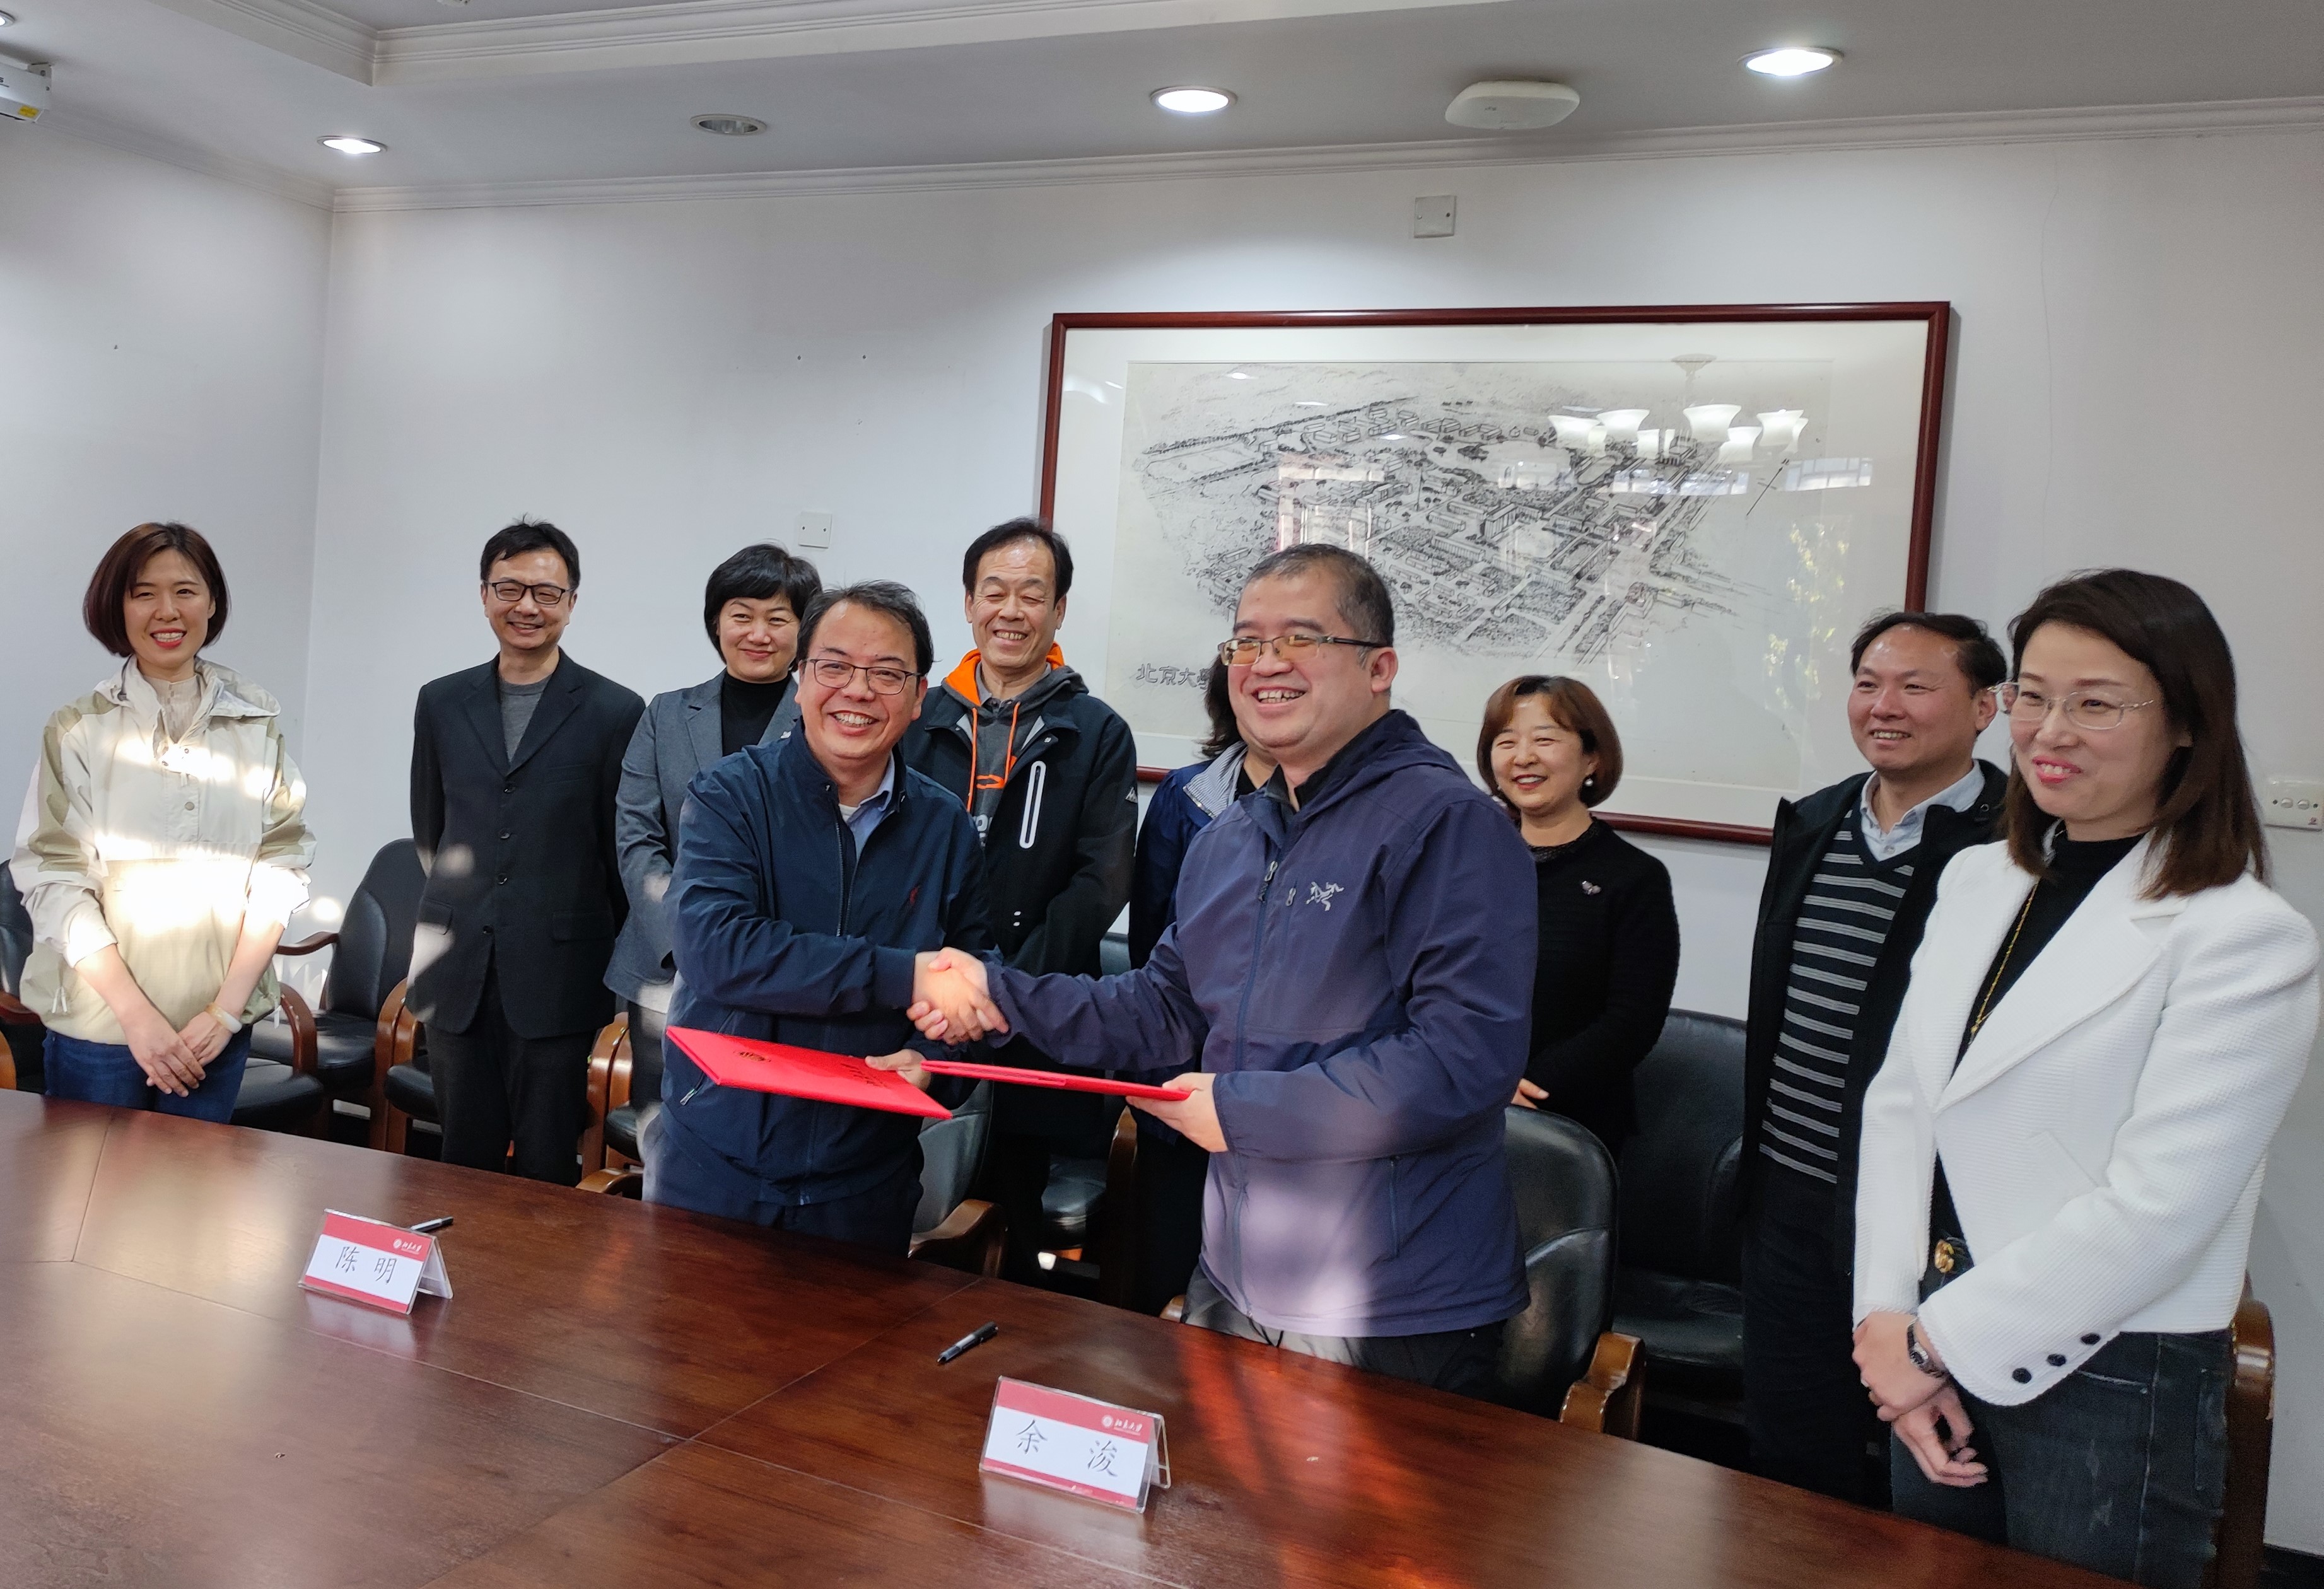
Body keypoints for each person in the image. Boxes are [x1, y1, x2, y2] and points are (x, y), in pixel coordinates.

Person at [911, 544, 1534, 1395]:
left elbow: (1463, 1060)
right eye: (1246, 642)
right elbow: (1162, 1009)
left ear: (1379, 668)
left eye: (1301, 639)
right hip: (1235, 1273)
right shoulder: (1233, 837)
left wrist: (1240, 1112)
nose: (1265, 663)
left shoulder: (1446, 824)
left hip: (1388, 1301)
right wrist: (995, 992)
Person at [1853, 571, 2318, 1588]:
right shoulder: (1980, 879)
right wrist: (1886, 1320)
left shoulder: (2245, 937)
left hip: (2110, 1368)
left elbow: (2161, 1208)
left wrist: (1934, 1344)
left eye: (2096, 704)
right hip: (1926, 1331)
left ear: (2187, 724)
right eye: (2032, 695)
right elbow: (1901, 1109)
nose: (2049, 731)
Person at [1741, 609, 2008, 1503]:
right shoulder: (1815, 821)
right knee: (1790, 1454)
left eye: (1915, 687)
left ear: (1984, 708)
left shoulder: (2016, 844)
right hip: (1790, 1195)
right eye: (1867, 684)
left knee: (1938, 1471)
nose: (1883, 706)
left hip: (1931, 1220)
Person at [647, 581, 1000, 1255]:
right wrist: (905, 975)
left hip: (863, 1180)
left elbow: (975, 981)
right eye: (834, 666)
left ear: (919, 697)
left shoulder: (944, 825)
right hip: (715, 1167)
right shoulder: (730, 795)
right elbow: (718, 951)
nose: (857, 691)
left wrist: (935, 1063)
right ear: (801, 679)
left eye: (887, 674)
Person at [10, 522, 312, 1122]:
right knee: (89, 1185)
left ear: (212, 602)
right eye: (143, 593)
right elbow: (53, 880)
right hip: (99, 1028)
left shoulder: (256, 723)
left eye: (186, 591)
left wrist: (224, 1013)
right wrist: (137, 1017)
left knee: (197, 1185)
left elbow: (280, 870)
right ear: (116, 606)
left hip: (214, 1032)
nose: (167, 611)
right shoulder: (78, 729)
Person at [901, 518, 1137, 1283]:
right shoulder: (918, 717)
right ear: (968, 603)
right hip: (916, 1005)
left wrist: (1002, 990)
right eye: (994, 591)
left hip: (1034, 1012)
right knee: (898, 1209)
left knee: (1013, 1222)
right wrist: (931, 985)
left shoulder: (1094, 732)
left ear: (1058, 610)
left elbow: (1102, 880)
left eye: (1031, 595)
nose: (1011, 610)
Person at [409, 521, 643, 1185]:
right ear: (484, 595)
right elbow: (431, 830)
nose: (527, 607)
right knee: (461, 1159)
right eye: (509, 589)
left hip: (561, 973)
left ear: (572, 602)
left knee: (546, 1163)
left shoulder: (615, 710)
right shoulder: (441, 701)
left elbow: (617, 850)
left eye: (546, 592)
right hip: (457, 968)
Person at [605, 542, 822, 1100]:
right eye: (742, 615)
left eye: (778, 619)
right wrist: (684, 939)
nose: (758, 634)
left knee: (757, 1125)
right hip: (666, 970)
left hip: (778, 973)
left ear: (805, 630)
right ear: (716, 623)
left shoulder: (824, 722)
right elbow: (637, 836)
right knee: (660, 1124)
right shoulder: (666, 714)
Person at [1123, 659, 1276, 1314]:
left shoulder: (1349, 808)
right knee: (1169, 1274)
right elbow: (1150, 932)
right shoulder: (1186, 795)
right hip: (1183, 1064)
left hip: (1279, 1086)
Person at [1478, 675, 1678, 1158]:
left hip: (1566, 1131)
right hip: (1457, 1105)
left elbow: (1631, 1021)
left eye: (1544, 740)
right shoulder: (1468, 864)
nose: (1523, 757)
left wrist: (1525, 1087)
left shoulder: (1633, 877)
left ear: (1592, 758)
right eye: (1506, 742)